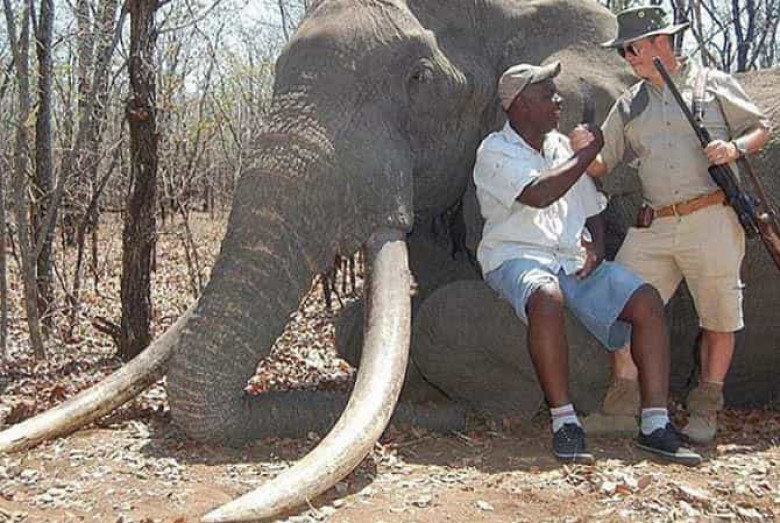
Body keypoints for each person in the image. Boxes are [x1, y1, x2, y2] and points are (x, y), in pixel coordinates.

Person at [473, 60, 701, 465]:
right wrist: (588, 154)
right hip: (516, 257)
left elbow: (592, 206)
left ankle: (655, 424)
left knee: (647, 300)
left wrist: (596, 246)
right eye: (548, 95)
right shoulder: (494, 150)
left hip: (571, 259)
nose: (558, 101)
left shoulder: (561, 146)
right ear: (520, 104)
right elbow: (539, 193)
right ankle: (564, 422)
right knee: (546, 297)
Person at [574, 6, 772, 444]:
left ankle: (706, 410)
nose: (628, 58)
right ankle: (622, 407)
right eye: (623, 51)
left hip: (712, 217)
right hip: (656, 224)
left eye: (632, 48)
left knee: (719, 317)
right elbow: (604, 163)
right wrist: (581, 150)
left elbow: (761, 126)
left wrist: (734, 148)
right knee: (622, 305)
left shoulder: (712, 84)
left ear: (661, 42)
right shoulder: (630, 103)